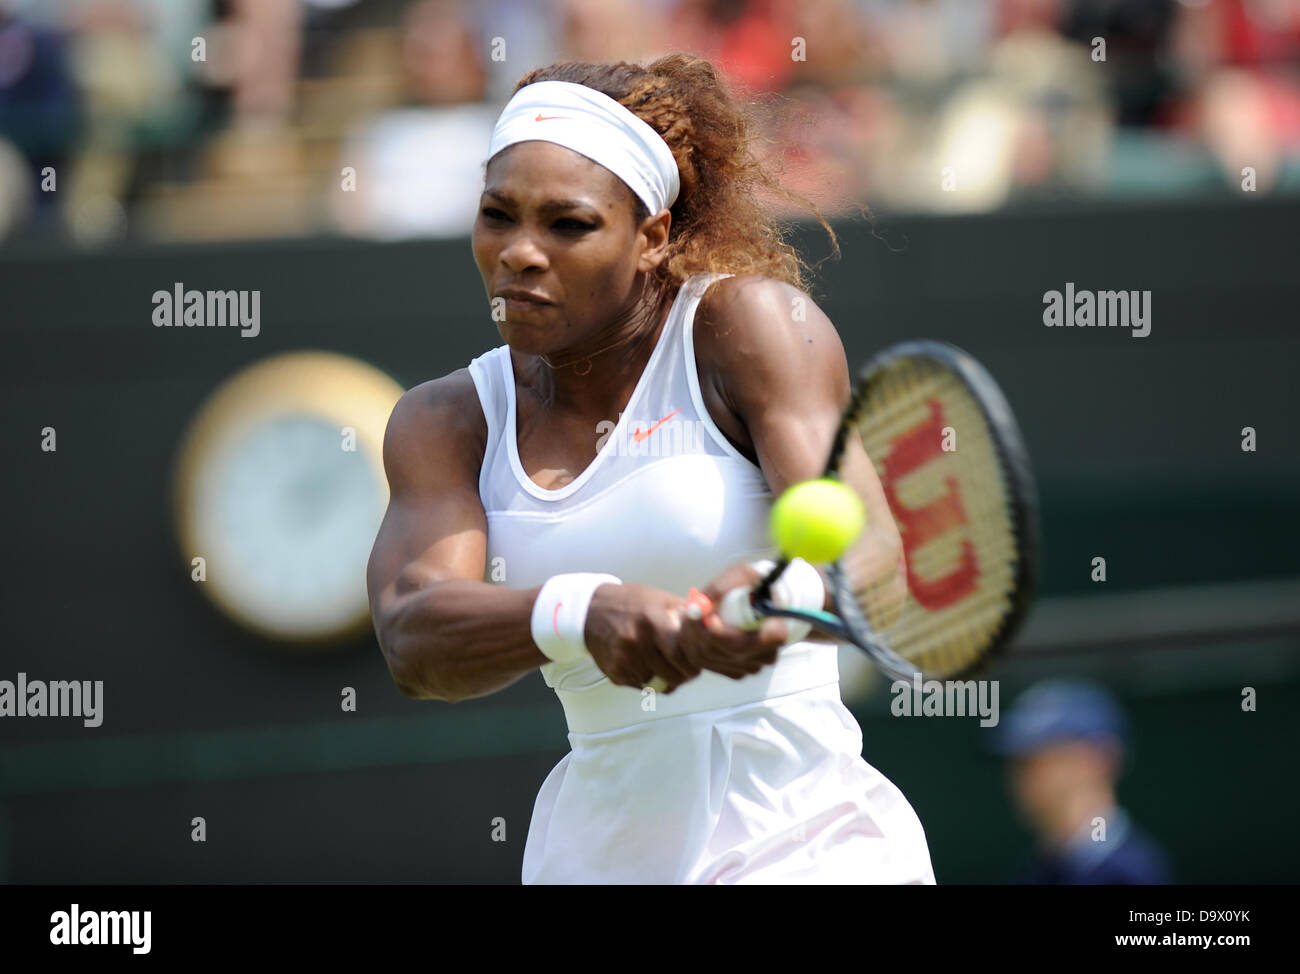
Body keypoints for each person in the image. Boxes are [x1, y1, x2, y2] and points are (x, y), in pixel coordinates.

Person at [366, 53, 936, 884]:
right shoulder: (444, 419)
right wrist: (579, 611)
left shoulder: (751, 327)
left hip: (810, 842)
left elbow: (874, 554)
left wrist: (786, 595)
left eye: (568, 225)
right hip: (597, 855)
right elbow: (413, 639)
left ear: (652, 237)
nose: (520, 253)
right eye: (498, 215)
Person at [989, 679, 1172, 885]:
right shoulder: (1037, 871)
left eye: (1038, 760)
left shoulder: (1127, 873)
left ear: (1100, 758)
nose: (1019, 778)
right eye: (1016, 763)